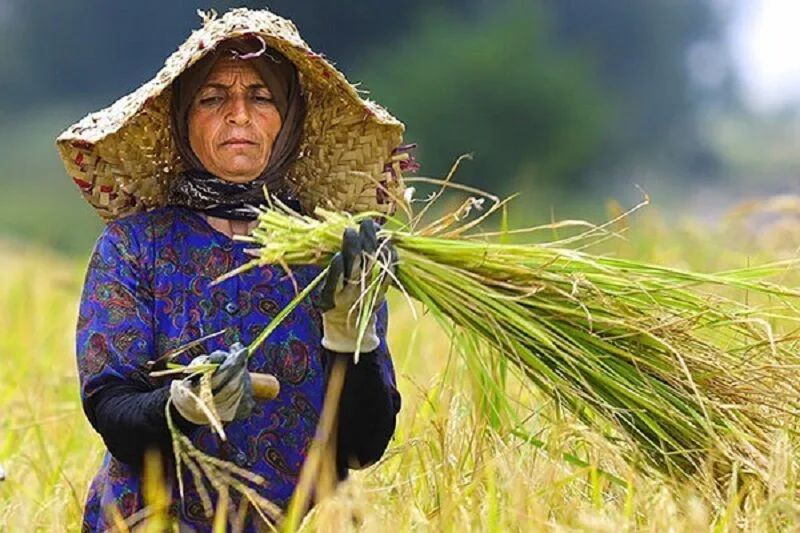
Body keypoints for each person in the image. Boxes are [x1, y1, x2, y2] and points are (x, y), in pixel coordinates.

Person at [57, 8, 416, 532]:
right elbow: (113, 411)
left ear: (288, 119)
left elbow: (363, 446)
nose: (239, 114)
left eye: (262, 97)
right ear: (184, 118)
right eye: (213, 98)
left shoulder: (333, 257)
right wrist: (184, 405)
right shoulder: (135, 247)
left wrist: (348, 335)